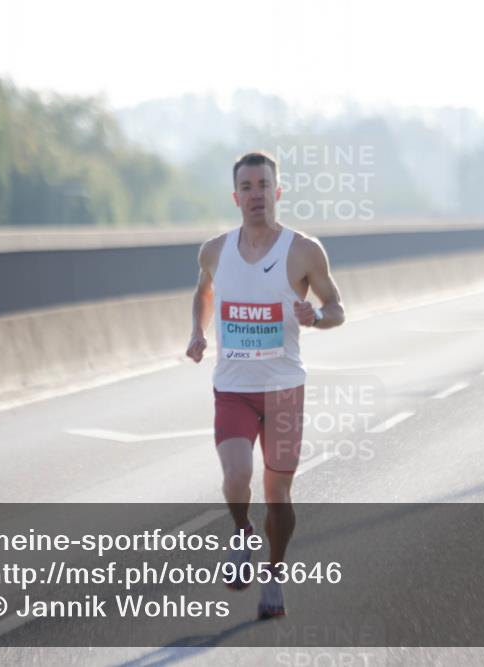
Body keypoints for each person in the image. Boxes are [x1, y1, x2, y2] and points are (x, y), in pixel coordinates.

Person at [185, 151, 345, 619]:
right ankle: (241, 534)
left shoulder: (303, 250)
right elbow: (204, 289)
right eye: (247, 187)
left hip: (283, 390)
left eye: (264, 186)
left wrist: (315, 316)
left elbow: (337, 307)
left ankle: (274, 575)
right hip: (232, 387)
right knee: (236, 476)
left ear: (278, 192)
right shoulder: (214, 249)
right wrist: (197, 332)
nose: (256, 195)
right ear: (236, 197)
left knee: (278, 494)